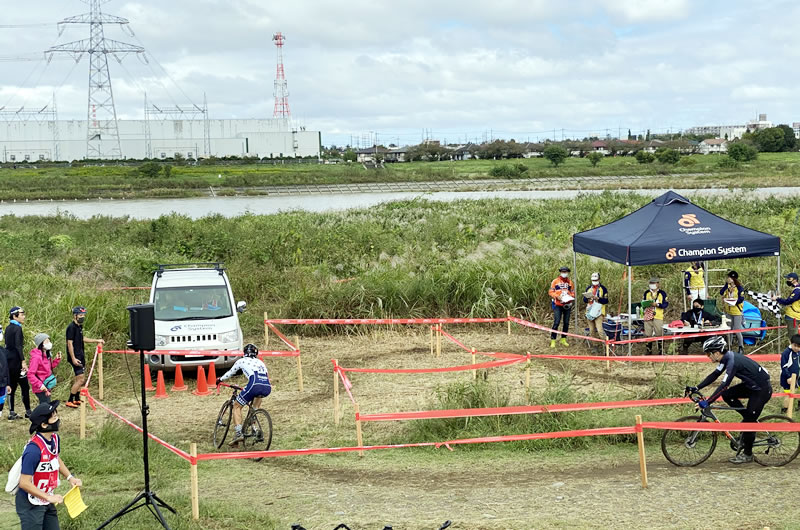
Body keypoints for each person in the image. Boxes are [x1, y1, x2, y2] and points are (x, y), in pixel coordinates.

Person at [687, 335, 772, 464]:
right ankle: (748, 416)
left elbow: (723, 385)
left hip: (761, 390)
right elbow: (714, 375)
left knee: (749, 423)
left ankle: (748, 454)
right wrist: (696, 387)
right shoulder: (726, 358)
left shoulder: (732, 362)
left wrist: (708, 402)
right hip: (752, 386)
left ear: (716, 352)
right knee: (727, 395)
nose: (708, 357)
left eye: (708, 354)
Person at [15, 400, 83, 529]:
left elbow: (55, 458)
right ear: (44, 424)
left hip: (46, 498)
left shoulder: (55, 439)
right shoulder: (33, 451)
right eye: (54, 418)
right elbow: (24, 483)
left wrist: (70, 477)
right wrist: (48, 497)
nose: (58, 420)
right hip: (31, 503)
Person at [215, 343, 271, 446]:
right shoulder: (260, 362)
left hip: (254, 384)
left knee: (237, 406)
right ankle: (254, 427)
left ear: (244, 353)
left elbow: (230, 372)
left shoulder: (241, 360)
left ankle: (238, 434)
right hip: (267, 386)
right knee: (254, 408)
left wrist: (220, 379)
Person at [64, 306, 104, 409]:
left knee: (78, 378)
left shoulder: (79, 326)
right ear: (75, 316)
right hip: (75, 356)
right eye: (81, 315)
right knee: (81, 380)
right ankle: (70, 400)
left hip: (80, 354)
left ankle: (77, 399)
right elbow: (69, 343)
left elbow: (82, 339)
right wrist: (73, 358)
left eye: (83, 315)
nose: (82, 317)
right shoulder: (71, 327)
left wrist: (96, 340)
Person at [5, 306, 32, 420]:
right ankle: (28, 411)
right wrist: (23, 361)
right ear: (15, 316)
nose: (24, 316)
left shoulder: (8, 328)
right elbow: (18, 346)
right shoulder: (17, 328)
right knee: (25, 386)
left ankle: (11, 412)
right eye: (22, 314)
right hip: (16, 361)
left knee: (12, 387)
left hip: (8, 361)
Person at [27, 334, 62, 405]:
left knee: (46, 405)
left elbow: (49, 367)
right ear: (41, 344)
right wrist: (40, 385)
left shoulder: (46, 354)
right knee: (46, 406)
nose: (49, 343)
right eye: (46, 341)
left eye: (49, 341)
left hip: (46, 385)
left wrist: (56, 360)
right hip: (40, 387)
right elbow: (30, 374)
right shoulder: (36, 357)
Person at [548, 266, 575, 348]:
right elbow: (550, 291)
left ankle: (563, 339)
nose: (564, 273)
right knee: (556, 322)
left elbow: (573, 293)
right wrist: (557, 296)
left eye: (566, 272)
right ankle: (553, 340)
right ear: (560, 272)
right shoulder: (555, 281)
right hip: (558, 305)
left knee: (566, 323)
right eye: (563, 272)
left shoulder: (570, 282)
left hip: (567, 304)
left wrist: (569, 296)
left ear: (568, 273)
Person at [720, 270, 745, 354]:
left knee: (737, 329)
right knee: (729, 329)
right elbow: (721, 292)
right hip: (728, 311)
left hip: (737, 311)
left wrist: (733, 301)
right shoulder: (727, 287)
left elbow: (741, 299)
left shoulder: (739, 288)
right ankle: (729, 346)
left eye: (730, 278)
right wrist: (726, 286)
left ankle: (741, 346)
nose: (728, 279)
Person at [642, 277, 668, 355]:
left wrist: (657, 304)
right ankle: (648, 350)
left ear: (658, 284)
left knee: (659, 332)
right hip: (648, 315)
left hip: (658, 315)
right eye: (651, 283)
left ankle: (661, 350)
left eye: (654, 283)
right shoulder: (647, 293)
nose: (652, 285)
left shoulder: (662, 293)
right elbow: (643, 302)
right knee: (648, 333)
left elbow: (665, 304)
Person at [582, 272, 608, 342]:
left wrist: (598, 298)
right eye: (593, 280)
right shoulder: (588, 288)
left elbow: (606, 301)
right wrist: (588, 298)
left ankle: (606, 345)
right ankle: (594, 346)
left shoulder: (603, 289)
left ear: (599, 279)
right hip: (590, 311)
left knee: (600, 330)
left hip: (599, 311)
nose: (594, 282)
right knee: (592, 330)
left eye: (596, 280)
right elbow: (584, 300)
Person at [773, 272, 800, 337]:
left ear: (795, 280)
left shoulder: (797, 291)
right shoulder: (796, 289)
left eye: (789, 279)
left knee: (793, 337)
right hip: (795, 316)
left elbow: (788, 301)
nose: (788, 280)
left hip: (793, 316)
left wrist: (777, 299)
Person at [779, 334, 800, 413]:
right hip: (789, 379)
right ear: (791, 343)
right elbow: (784, 366)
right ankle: (784, 410)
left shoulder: (799, 352)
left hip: (798, 378)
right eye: (795, 346)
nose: (797, 348)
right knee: (788, 395)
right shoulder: (786, 353)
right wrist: (788, 377)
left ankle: (799, 406)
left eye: (799, 346)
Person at [0, 328, 10, 419]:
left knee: (0, 406)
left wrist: (8, 384)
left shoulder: (2, 350)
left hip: (3, 383)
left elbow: (6, 368)